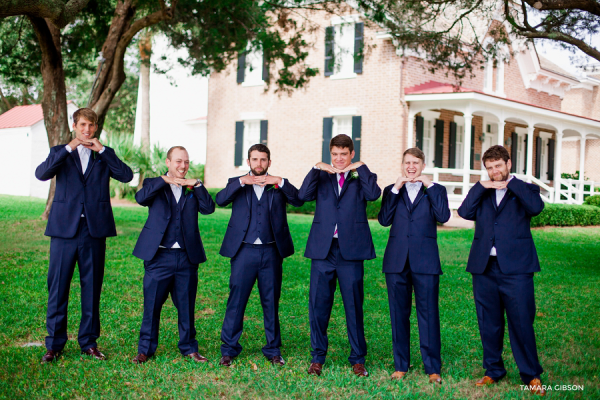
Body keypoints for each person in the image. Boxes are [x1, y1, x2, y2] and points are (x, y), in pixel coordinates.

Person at [35, 108, 133, 363]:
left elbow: (127, 176)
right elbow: (42, 173)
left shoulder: (104, 155)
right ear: (74, 126)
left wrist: (103, 150)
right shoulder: (60, 152)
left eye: (91, 125)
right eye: (82, 125)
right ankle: (54, 344)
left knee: (91, 288)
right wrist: (69, 147)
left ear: (96, 127)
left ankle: (88, 343)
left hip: (94, 231)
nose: (87, 130)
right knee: (58, 288)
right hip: (63, 231)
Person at [458, 145, 546, 396]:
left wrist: (511, 183)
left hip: (516, 268)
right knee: (488, 323)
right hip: (484, 267)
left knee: (521, 322)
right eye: (489, 168)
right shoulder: (483, 191)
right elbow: (465, 212)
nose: (494, 172)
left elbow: (535, 208)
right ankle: (493, 370)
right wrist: (481, 186)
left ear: (509, 164)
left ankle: (530, 374)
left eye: (498, 166)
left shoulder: (526, 188)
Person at [298, 134, 381, 377]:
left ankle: (358, 359)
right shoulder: (321, 175)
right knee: (318, 306)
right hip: (323, 251)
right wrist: (316, 168)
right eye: (335, 154)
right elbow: (303, 196)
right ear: (330, 153)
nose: (339, 158)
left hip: (351, 251)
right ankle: (317, 357)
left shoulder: (362, 175)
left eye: (344, 154)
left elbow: (373, 194)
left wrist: (361, 168)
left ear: (352, 154)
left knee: (353, 306)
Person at [216, 144, 304, 367]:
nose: (259, 164)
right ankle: (229, 349)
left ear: (269, 162)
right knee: (236, 301)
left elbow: (299, 199)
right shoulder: (236, 182)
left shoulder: (278, 184)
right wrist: (240, 182)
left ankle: (273, 349)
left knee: (271, 301)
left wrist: (281, 181)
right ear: (248, 162)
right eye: (254, 159)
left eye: (263, 160)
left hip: (271, 251)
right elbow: (220, 200)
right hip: (243, 250)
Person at [131, 146, 215, 364]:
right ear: (168, 163)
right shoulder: (153, 183)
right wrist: (164, 181)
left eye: (186, 162)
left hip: (187, 258)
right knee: (152, 306)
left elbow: (208, 208)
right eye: (178, 161)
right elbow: (141, 198)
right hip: (159, 256)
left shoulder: (193, 187)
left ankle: (189, 347)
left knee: (187, 305)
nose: (183, 166)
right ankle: (145, 349)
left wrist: (196, 185)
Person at [378, 148, 450, 383]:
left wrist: (430, 186)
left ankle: (432, 368)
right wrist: (396, 189)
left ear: (423, 165)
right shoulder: (392, 191)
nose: (411, 166)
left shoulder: (436, 190)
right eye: (407, 162)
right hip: (396, 261)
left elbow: (443, 215)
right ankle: (401, 365)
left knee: (428, 314)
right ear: (402, 165)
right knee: (398, 314)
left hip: (425, 261)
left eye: (416, 162)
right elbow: (384, 220)